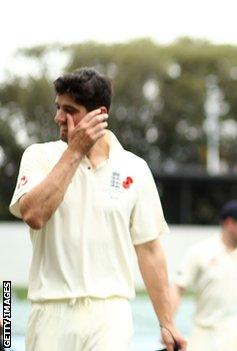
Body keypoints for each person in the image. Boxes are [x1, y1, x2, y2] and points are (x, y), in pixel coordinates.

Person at [8, 67, 186, 351]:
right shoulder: (39, 156)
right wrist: (74, 152)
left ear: (99, 114)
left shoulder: (135, 169)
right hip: (50, 311)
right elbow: (34, 215)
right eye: (57, 108)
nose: (58, 118)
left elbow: (150, 250)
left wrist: (167, 321)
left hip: (109, 314)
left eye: (70, 110)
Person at [171, 200, 237, 351]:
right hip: (203, 336)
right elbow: (177, 288)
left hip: (236, 339)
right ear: (230, 223)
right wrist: (168, 325)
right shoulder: (200, 251)